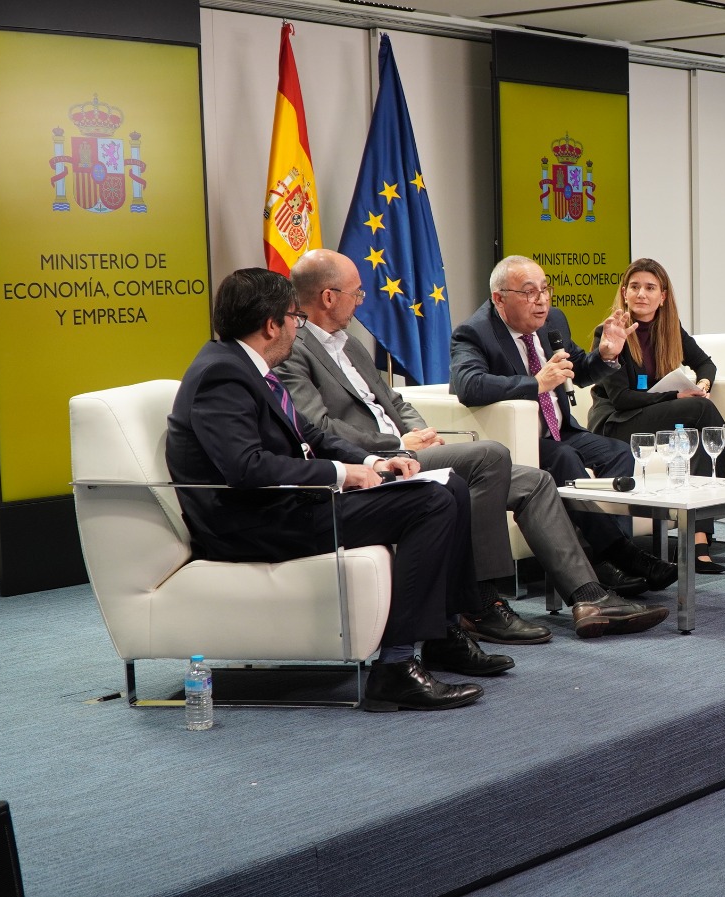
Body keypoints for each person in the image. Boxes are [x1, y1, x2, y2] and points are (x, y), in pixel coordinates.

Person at [276, 249, 671, 643]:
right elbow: (318, 428)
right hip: (377, 462)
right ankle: (482, 603)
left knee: (535, 482)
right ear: (329, 297)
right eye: (356, 292)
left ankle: (590, 598)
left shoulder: (349, 344)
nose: (362, 300)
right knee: (491, 453)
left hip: (415, 450)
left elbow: (395, 401)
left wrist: (421, 431)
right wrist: (397, 442)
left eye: (544, 290)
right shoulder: (295, 350)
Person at [165, 267, 509, 713]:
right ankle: (395, 668)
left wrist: (373, 462)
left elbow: (311, 433)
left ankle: (443, 637)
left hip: (284, 505)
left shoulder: (247, 367)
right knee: (429, 503)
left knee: (451, 486)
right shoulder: (222, 375)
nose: (297, 327)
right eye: (294, 318)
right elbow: (246, 467)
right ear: (271, 325)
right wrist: (341, 474)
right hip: (254, 523)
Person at [450, 256, 677, 587]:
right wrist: (535, 384)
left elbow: (579, 371)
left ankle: (610, 561)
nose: (542, 300)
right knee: (564, 458)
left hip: (562, 430)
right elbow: (468, 385)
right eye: (529, 292)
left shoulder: (553, 320)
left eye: (545, 289)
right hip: (519, 443)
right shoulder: (475, 333)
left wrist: (606, 355)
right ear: (500, 298)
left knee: (618, 453)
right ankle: (619, 556)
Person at [585, 258, 725, 574]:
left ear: (663, 296)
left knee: (697, 436)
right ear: (624, 292)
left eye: (650, 288)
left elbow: (706, 364)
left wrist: (703, 384)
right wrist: (675, 396)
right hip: (616, 424)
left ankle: (698, 544)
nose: (642, 294)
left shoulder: (670, 329)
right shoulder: (610, 332)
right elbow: (621, 399)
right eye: (635, 287)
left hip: (652, 416)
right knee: (701, 410)